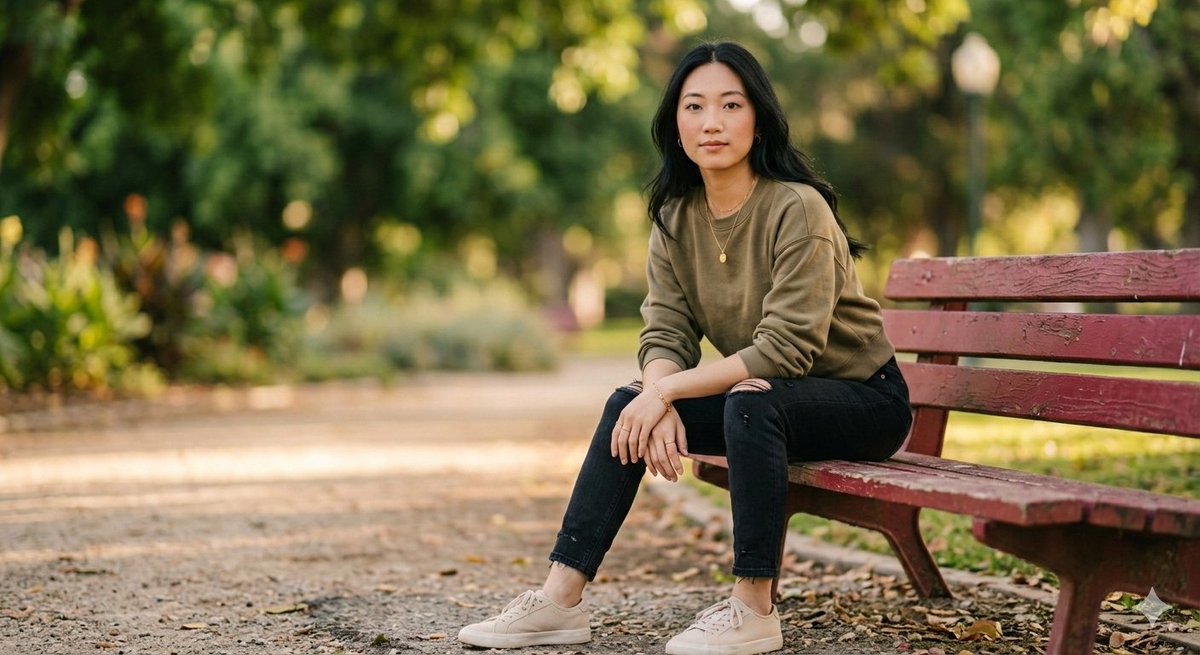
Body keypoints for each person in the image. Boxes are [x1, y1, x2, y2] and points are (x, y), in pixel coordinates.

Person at [457, 41, 912, 655]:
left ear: (759, 118)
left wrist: (667, 391)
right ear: (676, 123)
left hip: (863, 402)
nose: (712, 122)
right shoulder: (675, 215)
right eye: (695, 106)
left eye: (730, 105)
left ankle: (754, 607)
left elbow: (787, 349)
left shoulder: (796, 208)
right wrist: (652, 394)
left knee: (751, 402)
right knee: (631, 403)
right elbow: (667, 331)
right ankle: (559, 599)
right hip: (769, 396)